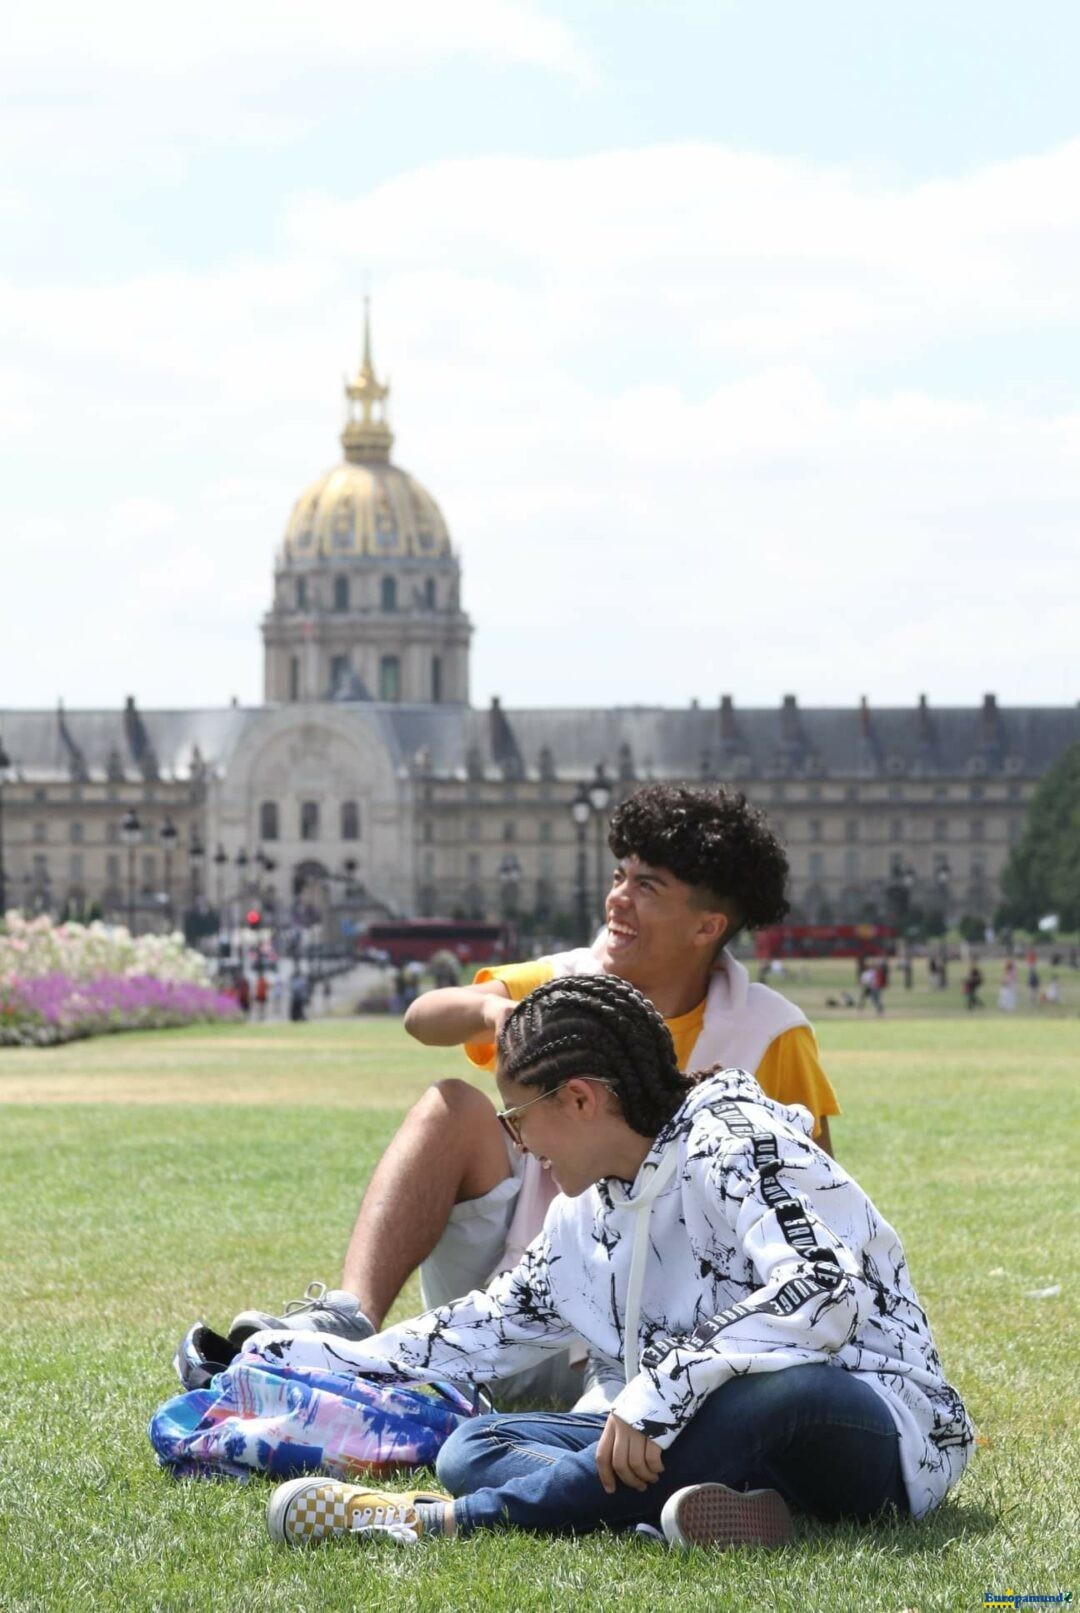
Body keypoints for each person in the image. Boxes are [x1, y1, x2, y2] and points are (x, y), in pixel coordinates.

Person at [259, 975, 972, 1552]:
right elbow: (484, 1324)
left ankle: (437, 1521)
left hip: (870, 1423)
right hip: (702, 1436)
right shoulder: (584, 1211)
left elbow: (825, 1291)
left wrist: (662, 1386)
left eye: (517, 1115)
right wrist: (315, 1356)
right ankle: (723, 1506)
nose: (514, 1136)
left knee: (774, 1391)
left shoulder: (738, 1143)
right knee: (474, 1443)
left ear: (580, 1098)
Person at [229, 786, 840, 1412]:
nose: (617, 898)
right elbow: (421, 1017)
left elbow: (816, 1200)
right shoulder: (566, 983)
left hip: (667, 1330)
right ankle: (352, 1315)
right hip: (513, 1305)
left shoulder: (771, 1034)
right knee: (451, 1107)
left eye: (647, 886)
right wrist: (495, 1010)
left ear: (708, 925)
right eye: (619, 874)